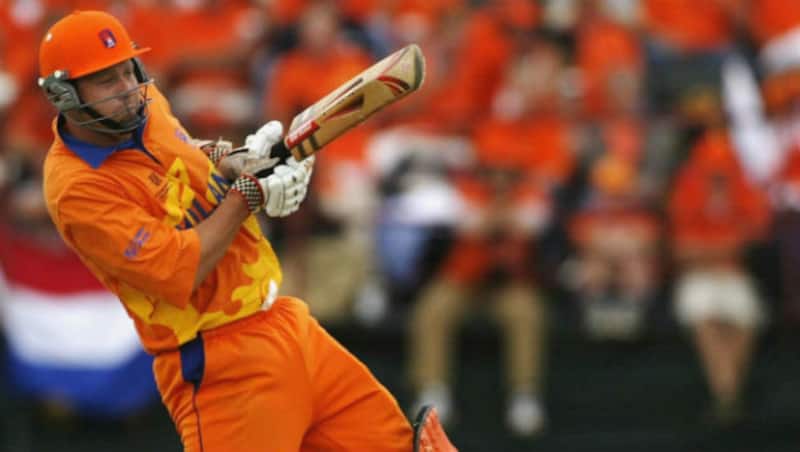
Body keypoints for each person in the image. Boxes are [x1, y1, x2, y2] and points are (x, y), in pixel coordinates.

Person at [37, 10, 455, 452]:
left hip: (287, 324)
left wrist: (229, 155)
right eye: (107, 81)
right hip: (221, 365)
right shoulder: (77, 189)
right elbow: (180, 268)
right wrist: (249, 194)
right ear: (64, 95)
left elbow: (183, 150)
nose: (128, 90)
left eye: (128, 71)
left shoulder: (144, 104)